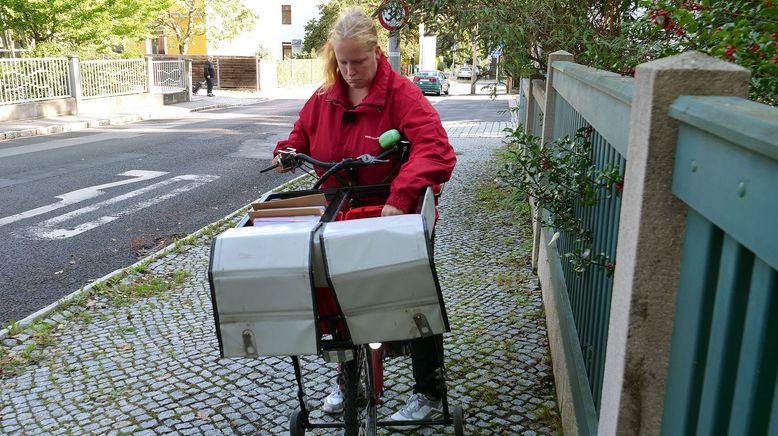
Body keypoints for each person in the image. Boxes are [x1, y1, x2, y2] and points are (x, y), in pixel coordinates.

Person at [272, 7, 457, 426]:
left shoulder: (402, 95)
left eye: (359, 61)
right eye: (342, 62)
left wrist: (402, 193)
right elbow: (300, 134)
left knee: (412, 296)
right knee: (336, 297)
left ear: (377, 52)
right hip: (342, 212)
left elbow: (436, 149)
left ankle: (428, 391)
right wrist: (286, 150)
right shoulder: (324, 97)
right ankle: (347, 379)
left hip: (394, 214)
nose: (350, 71)